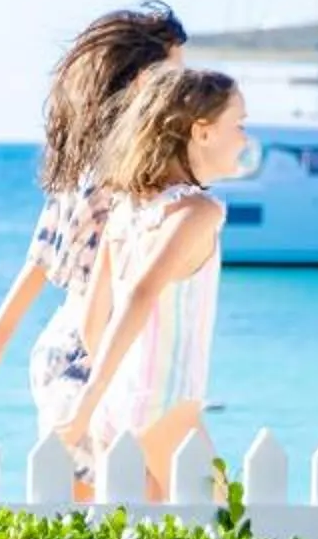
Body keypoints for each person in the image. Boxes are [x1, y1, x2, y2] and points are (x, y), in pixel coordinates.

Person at [0, 2, 189, 454]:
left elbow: (43, 255)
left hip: (68, 350)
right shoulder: (121, 169)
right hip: (87, 354)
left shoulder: (94, 158)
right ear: (146, 80)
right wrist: (115, 375)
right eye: (177, 72)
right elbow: (81, 277)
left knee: (99, 510)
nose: (186, 86)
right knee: (130, 501)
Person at [65, 64, 248, 487]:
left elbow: (94, 321)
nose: (244, 140)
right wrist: (85, 405)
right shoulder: (197, 212)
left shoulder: (126, 213)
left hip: (117, 407)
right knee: (224, 536)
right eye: (237, 125)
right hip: (165, 403)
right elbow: (141, 296)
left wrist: (99, 397)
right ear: (201, 132)